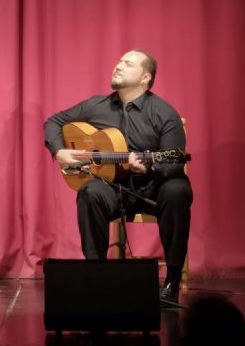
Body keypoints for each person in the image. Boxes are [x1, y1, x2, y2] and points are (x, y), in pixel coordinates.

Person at [44, 49, 192, 303]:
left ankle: (171, 282)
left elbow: (174, 163)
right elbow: (53, 122)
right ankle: (96, 276)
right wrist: (60, 152)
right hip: (114, 187)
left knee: (177, 190)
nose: (118, 65)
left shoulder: (164, 113)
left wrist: (148, 167)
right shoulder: (96, 105)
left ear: (145, 77)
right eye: (119, 61)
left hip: (154, 188)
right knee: (90, 192)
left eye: (128, 63)